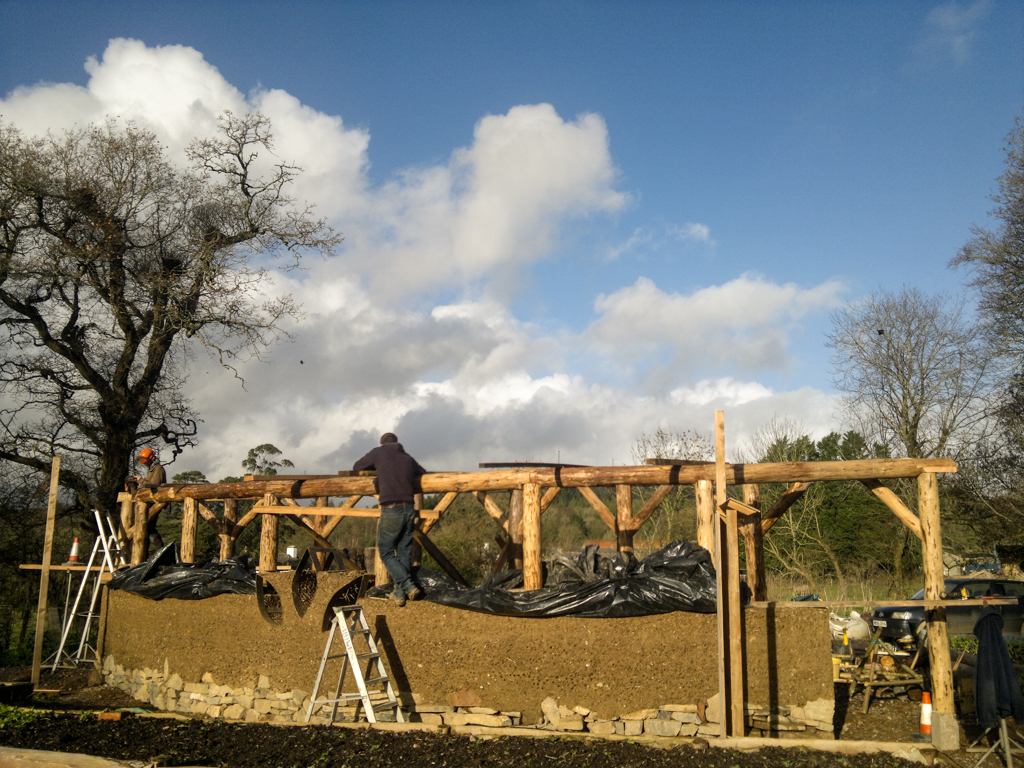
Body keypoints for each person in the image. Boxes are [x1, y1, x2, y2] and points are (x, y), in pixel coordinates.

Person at [353, 433, 426, 607]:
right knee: (404, 552)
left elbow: (357, 466)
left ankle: (408, 586)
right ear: (397, 443)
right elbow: (423, 473)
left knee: (386, 552)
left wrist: (378, 468)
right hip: (409, 508)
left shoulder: (378, 453)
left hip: (391, 509)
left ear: (382, 444)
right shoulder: (407, 458)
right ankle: (400, 595)